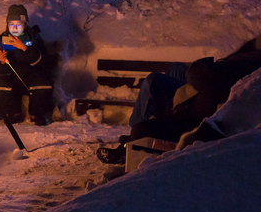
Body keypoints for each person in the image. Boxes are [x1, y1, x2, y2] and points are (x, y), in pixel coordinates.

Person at [97, 40, 261, 165]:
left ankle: (131, 146)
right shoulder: (253, 49)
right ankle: (133, 141)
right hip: (208, 87)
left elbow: (209, 74)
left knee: (153, 82)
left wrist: (209, 66)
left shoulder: (254, 62)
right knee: (177, 69)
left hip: (208, 97)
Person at [0, 4, 53, 126]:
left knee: (43, 84)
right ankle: (13, 113)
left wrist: (24, 48)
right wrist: (1, 62)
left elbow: (42, 62)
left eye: (19, 25)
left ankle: (36, 114)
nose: (15, 28)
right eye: (11, 24)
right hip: (11, 77)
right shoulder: (1, 41)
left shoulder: (33, 38)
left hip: (30, 76)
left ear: (25, 25)